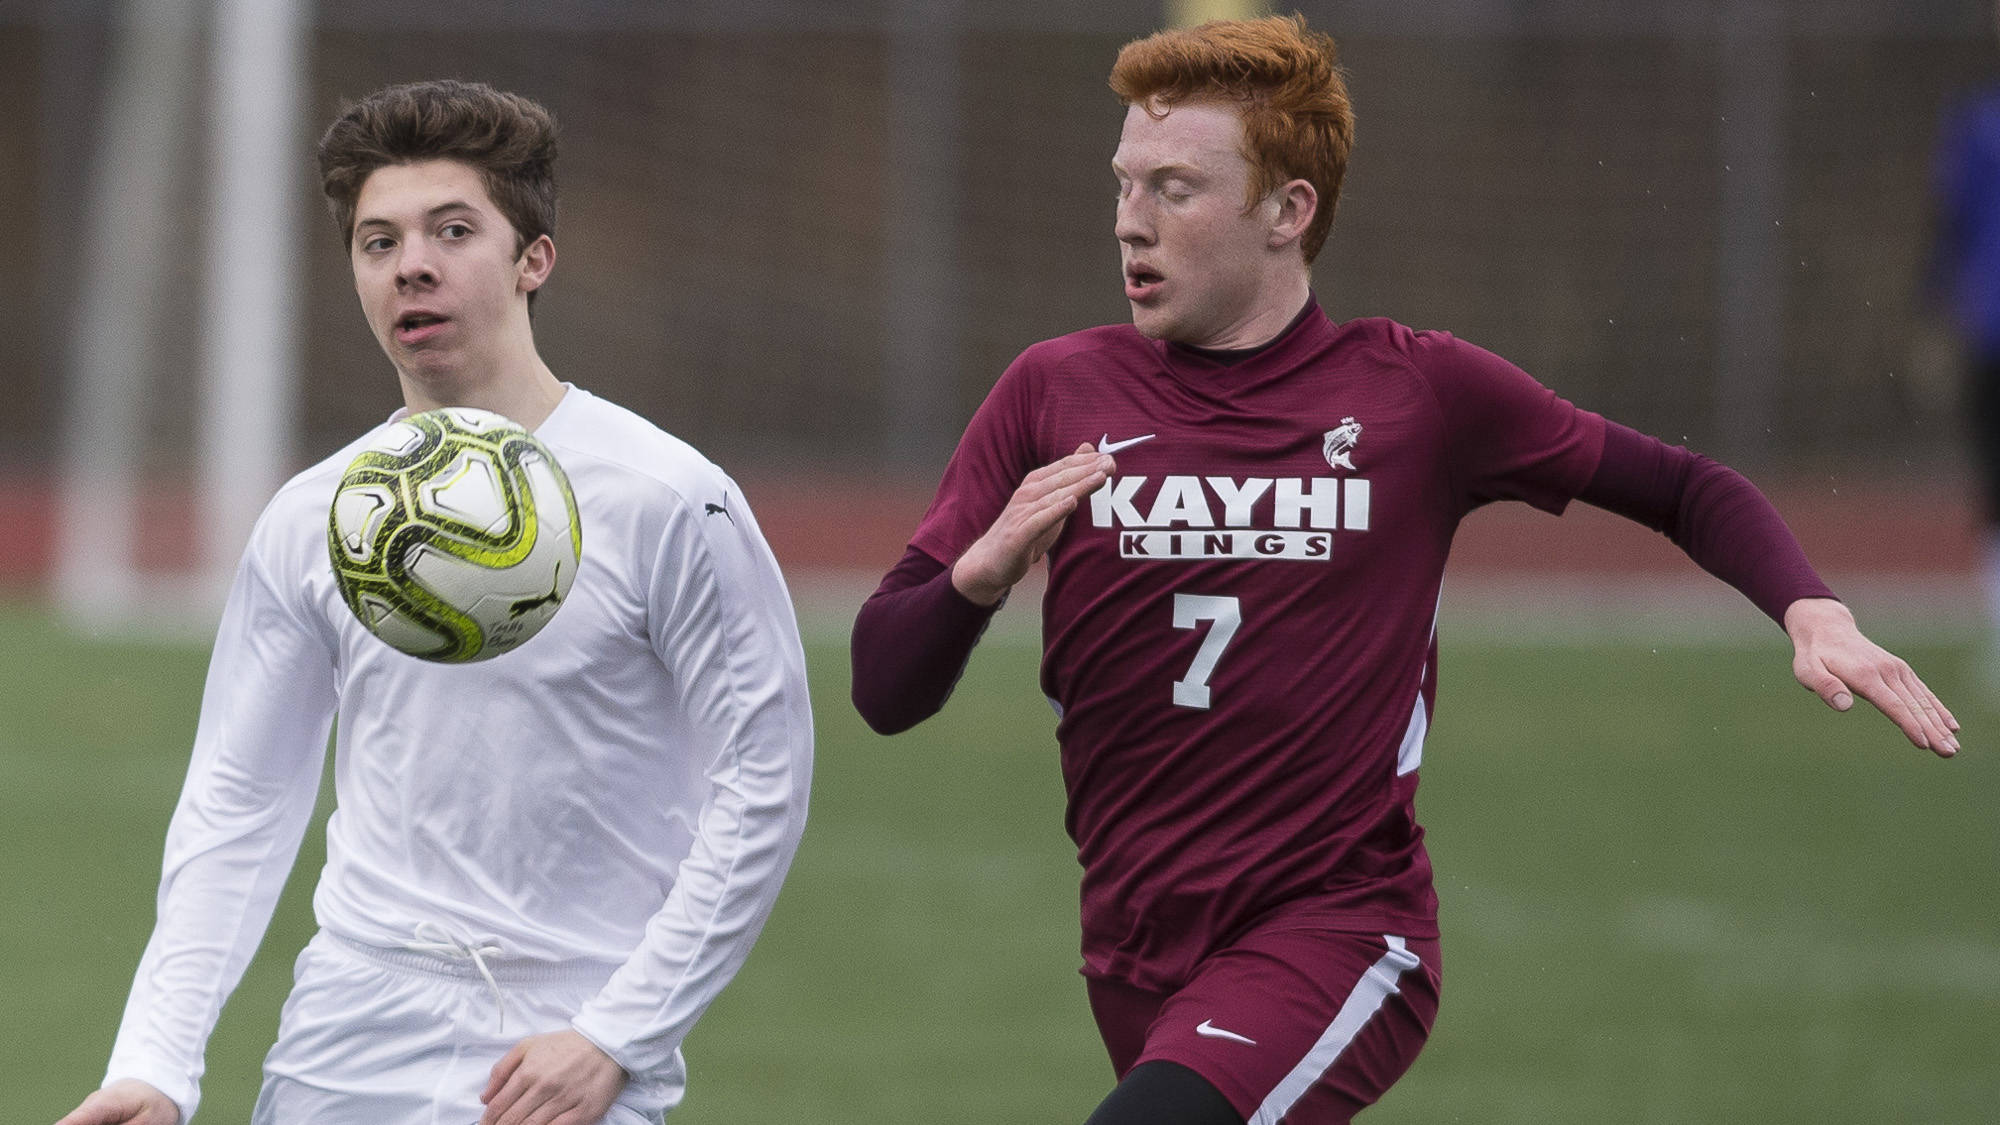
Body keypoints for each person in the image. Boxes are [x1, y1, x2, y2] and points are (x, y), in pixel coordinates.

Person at [850, 15, 1958, 1125]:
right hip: (1134, 946)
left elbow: (1683, 487)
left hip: (1334, 934)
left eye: (1173, 191)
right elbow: (882, 689)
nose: (1127, 223)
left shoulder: (1415, 395)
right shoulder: (1052, 392)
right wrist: (977, 579)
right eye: (1123, 183)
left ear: (1288, 212)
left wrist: (1809, 609)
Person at [57, 79, 813, 1125]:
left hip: (571, 1047)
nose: (411, 262)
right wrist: (156, 1061)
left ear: (532, 258)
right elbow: (240, 798)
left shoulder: (671, 500)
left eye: (452, 229)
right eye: (377, 241)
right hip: (342, 1038)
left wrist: (619, 1034)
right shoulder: (309, 516)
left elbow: (763, 781)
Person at [1924, 4, 2000, 673]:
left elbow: (1947, 225)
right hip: (1989, 323)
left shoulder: (1976, 123)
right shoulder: (1975, 121)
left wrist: (1932, 307)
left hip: (1988, 323)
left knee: (1994, 477)